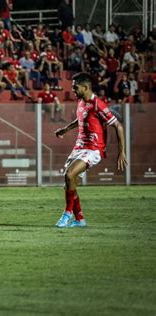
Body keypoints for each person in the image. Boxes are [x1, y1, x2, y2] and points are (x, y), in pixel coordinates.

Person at [54, 72, 127, 228]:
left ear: (86, 87)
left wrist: (122, 152)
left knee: (70, 174)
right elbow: (80, 119)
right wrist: (65, 129)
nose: (73, 90)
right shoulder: (81, 102)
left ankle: (67, 214)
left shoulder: (98, 104)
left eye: (75, 87)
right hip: (79, 146)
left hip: (93, 148)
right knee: (69, 183)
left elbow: (118, 126)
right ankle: (80, 219)